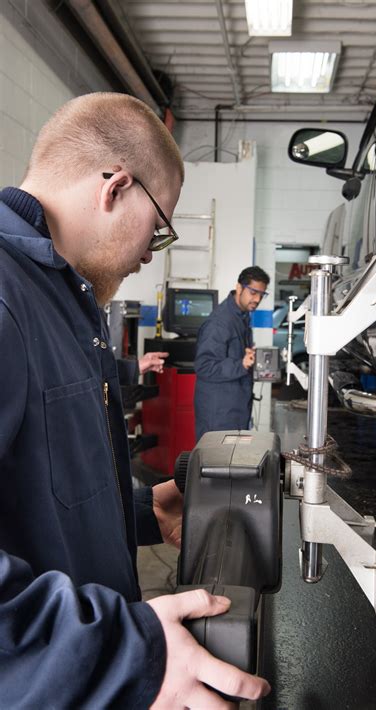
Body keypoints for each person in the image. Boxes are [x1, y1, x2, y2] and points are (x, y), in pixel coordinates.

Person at [0, 93, 270, 708]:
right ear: (115, 187)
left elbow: (41, 489)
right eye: (160, 226)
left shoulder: (68, 304)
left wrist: (141, 506)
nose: (152, 251)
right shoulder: (5, 297)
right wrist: (127, 653)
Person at [194, 266, 270, 439]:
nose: (257, 299)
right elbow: (204, 366)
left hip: (236, 409)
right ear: (239, 288)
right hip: (219, 414)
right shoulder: (219, 323)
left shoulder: (241, 316)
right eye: (253, 292)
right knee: (215, 462)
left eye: (262, 294)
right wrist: (241, 364)